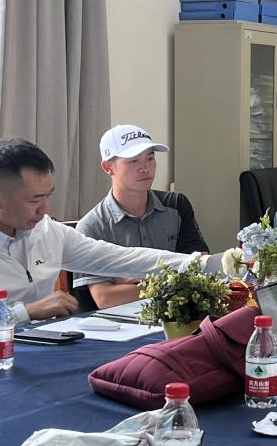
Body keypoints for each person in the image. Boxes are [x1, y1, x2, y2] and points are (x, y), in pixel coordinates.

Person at [0, 138, 210, 348]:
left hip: (43, 352)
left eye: (48, 195)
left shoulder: (47, 231)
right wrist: (26, 312)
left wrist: (203, 264)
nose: (45, 209)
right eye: (34, 199)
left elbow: (120, 258)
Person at [73, 124, 210, 308]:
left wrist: (133, 281)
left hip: (178, 314)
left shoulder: (176, 205)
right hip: (118, 321)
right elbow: (105, 298)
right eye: (133, 161)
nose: (145, 168)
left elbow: (202, 267)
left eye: (150, 158)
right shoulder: (92, 227)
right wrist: (174, 278)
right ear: (108, 167)